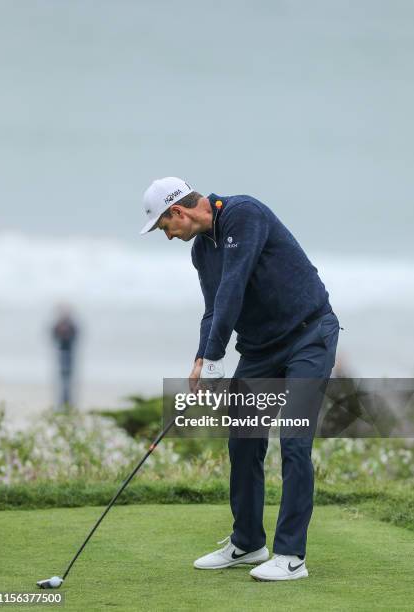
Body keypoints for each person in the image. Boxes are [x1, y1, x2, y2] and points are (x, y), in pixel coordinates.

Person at [140, 177, 340, 582]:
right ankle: (248, 542)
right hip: (261, 348)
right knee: (243, 442)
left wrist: (216, 356)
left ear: (178, 211)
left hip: (308, 336)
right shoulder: (201, 250)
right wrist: (202, 358)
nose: (167, 236)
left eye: (164, 227)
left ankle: (291, 557)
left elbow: (234, 285)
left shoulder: (244, 214)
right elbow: (215, 308)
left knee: (294, 441)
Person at [51, 306, 79, 410]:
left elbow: (76, 336)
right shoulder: (58, 324)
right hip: (61, 354)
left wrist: (67, 334)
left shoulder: (72, 325)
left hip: (70, 355)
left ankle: (69, 403)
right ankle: (62, 403)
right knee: (61, 382)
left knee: (69, 382)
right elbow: (53, 335)